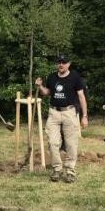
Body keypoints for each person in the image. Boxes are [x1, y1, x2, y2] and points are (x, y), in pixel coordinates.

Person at [35, 54, 88, 183]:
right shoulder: (52, 77)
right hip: (54, 113)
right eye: (59, 62)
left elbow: (81, 97)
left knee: (71, 144)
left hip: (69, 113)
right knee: (53, 142)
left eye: (64, 62)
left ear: (69, 63)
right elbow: (47, 93)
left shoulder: (75, 77)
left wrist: (84, 116)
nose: (61, 64)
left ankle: (70, 171)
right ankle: (57, 169)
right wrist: (40, 86)